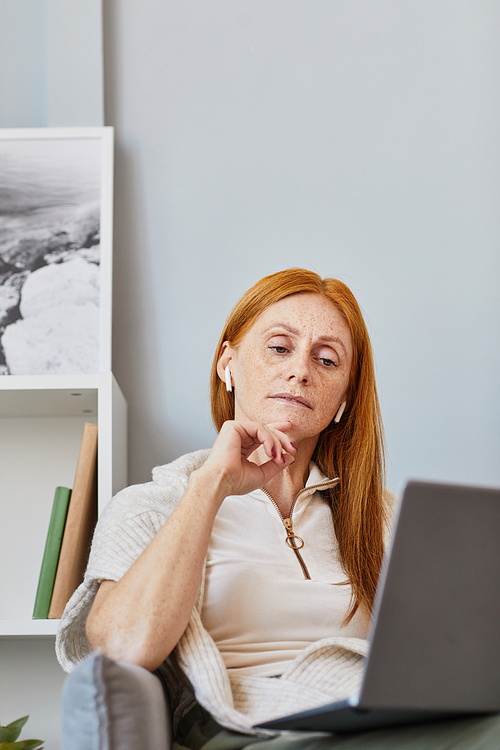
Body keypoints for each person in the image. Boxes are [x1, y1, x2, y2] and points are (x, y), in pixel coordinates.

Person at [56, 268, 500, 750]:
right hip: (253, 728)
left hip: (378, 721)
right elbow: (124, 646)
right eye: (279, 347)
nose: (300, 370)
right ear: (228, 363)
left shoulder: (387, 520)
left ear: (343, 400)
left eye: (327, 360)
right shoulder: (155, 504)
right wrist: (211, 485)